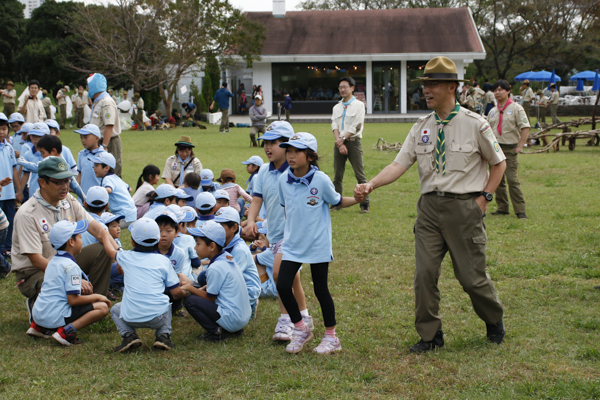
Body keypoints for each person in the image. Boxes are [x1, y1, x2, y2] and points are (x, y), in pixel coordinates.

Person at [354, 56, 507, 353]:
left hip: (465, 209)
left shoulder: (475, 124)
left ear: (452, 87)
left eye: (433, 84)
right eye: (424, 84)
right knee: (424, 274)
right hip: (429, 210)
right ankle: (430, 335)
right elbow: (400, 164)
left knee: (471, 277)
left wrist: (484, 199)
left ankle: (493, 319)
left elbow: (499, 164)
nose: (426, 90)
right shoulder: (421, 126)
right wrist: (371, 183)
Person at [277, 132, 358, 354]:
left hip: (317, 245)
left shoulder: (320, 180)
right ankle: (300, 329)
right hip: (293, 244)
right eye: (288, 151)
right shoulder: (283, 179)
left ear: (310, 156)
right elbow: (287, 210)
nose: (291, 156)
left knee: (321, 290)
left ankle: (331, 337)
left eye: (297, 152)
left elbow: (337, 201)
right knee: (283, 285)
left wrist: (358, 200)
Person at [12, 156, 119, 318]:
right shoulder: (28, 214)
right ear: (42, 183)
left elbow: (100, 230)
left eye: (67, 180)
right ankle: (39, 306)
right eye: (58, 182)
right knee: (59, 298)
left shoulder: (67, 200)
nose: (65, 186)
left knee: (102, 249)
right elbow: (35, 260)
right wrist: (72, 277)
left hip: (66, 262)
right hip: (35, 273)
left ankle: (93, 302)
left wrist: (120, 256)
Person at [245, 121, 313, 342]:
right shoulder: (263, 172)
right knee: (292, 278)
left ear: (288, 146)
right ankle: (304, 315)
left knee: (279, 275)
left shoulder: (298, 172)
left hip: (294, 233)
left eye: (274, 142)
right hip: (273, 233)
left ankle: (287, 321)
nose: (268, 147)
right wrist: (251, 220)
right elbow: (257, 199)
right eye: (266, 142)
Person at [102, 218, 186, 352]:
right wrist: (185, 292)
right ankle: (163, 336)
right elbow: (175, 293)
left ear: (132, 242)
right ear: (158, 240)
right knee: (167, 303)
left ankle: (129, 335)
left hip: (130, 316)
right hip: (157, 317)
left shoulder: (126, 257)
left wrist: (104, 236)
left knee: (115, 309)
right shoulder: (164, 261)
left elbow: (109, 251)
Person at [27, 220, 111, 346]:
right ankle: (66, 332)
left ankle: (39, 327)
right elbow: (73, 300)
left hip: (38, 314)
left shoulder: (52, 262)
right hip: (55, 316)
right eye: (80, 237)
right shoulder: (71, 267)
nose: (82, 241)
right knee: (102, 307)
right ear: (71, 242)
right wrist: (98, 296)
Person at [182, 221, 251, 341]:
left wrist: (189, 288)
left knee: (190, 301)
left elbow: (210, 298)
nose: (195, 247)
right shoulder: (227, 257)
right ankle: (232, 329)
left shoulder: (215, 267)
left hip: (234, 319)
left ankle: (217, 331)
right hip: (242, 317)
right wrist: (201, 288)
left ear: (212, 246)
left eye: (198, 244)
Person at [487, 79, 530, 219]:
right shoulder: (493, 111)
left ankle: (520, 210)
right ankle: (502, 207)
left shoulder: (516, 108)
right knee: (497, 181)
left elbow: (525, 127)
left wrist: (520, 145)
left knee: (512, 179)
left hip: (510, 148)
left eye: (500, 89)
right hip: (495, 149)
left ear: (508, 91)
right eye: (495, 90)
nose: (497, 92)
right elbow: (487, 130)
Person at [331, 77, 369, 213]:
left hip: (353, 142)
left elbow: (356, 126)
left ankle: (365, 204)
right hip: (339, 142)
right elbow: (334, 125)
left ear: (352, 88)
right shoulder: (336, 107)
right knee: (337, 175)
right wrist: (339, 142)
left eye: (345, 87)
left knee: (360, 175)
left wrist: (341, 140)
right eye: (340, 87)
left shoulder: (359, 105)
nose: (342, 89)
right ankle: (336, 202)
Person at [215, 207, 261, 318]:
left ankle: (250, 304)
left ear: (234, 227)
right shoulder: (223, 242)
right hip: (233, 284)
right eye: (216, 225)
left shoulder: (239, 249)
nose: (216, 229)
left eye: (221, 226)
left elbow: (232, 278)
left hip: (246, 289)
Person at [154, 209, 195, 316]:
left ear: (177, 232)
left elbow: (176, 275)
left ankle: (173, 308)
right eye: (159, 230)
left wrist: (183, 280)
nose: (163, 235)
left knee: (180, 285)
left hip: (168, 285)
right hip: (152, 286)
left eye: (168, 231)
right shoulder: (149, 251)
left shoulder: (179, 253)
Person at [87, 73, 123, 177]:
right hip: (99, 141)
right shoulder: (98, 102)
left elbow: (109, 125)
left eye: (88, 85)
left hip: (109, 141)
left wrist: (104, 146)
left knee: (112, 171)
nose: (87, 88)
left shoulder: (106, 102)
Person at [90, 152, 137, 227]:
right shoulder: (116, 178)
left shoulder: (107, 179)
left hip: (123, 216)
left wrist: (97, 192)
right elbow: (130, 189)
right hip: (132, 214)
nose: (94, 167)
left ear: (106, 168)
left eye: (96, 165)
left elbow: (109, 190)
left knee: (101, 226)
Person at [0, 113, 22, 256]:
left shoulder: (8, 148)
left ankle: (7, 248)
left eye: (3, 129)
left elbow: (14, 168)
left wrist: (18, 189)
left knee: (10, 219)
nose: (1, 132)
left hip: (8, 192)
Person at [75, 124, 105, 197]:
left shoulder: (104, 156)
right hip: (83, 198)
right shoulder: (81, 154)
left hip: (98, 197)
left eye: (86, 137)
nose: (83, 140)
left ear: (97, 138)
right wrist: (75, 187)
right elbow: (80, 173)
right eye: (81, 137)